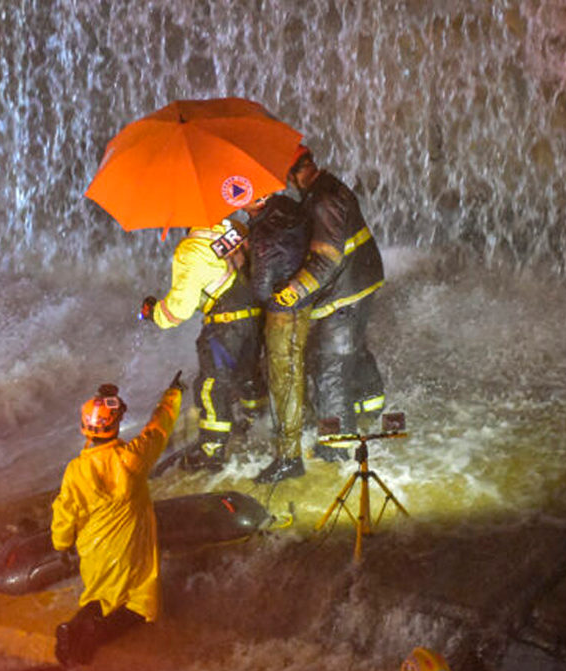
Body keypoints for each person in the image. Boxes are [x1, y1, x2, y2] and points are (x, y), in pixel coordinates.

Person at [50, 374, 184, 667]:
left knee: (98, 597)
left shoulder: (76, 470)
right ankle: (94, 632)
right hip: (128, 547)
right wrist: (172, 394)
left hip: (93, 549)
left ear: (84, 427)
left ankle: (74, 631)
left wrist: (61, 544)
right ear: (117, 425)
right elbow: (158, 428)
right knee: (139, 605)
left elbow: (65, 511)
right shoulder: (131, 458)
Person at [274, 146, 387, 460]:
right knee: (351, 346)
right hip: (358, 281)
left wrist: (294, 290)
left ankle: (336, 445)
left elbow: (326, 259)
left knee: (330, 365)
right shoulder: (327, 188)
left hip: (346, 289)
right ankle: (369, 405)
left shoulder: (323, 200)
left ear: (295, 173)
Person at [141, 218, 265, 472]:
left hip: (224, 328)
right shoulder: (236, 228)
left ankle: (212, 450)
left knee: (211, 386)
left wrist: (154, 313)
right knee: (247, 374)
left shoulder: (191, 248)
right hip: (254, 317)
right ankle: (257, 423)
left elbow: (179, 309)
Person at [245, 193, 313, 484]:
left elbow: (261, 290)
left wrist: (244, 259)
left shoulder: (265, 232)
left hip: (283, 313)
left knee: (284, 380)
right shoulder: (287, 209)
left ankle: (289, 459)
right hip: (300, 305)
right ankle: (297, 436)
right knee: (293, 375)